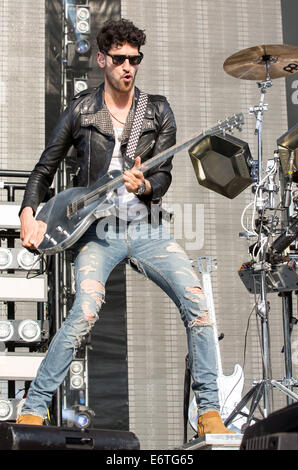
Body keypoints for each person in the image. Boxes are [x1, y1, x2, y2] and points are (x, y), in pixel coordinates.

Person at [16, 18, 234, 437]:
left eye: (135, 60)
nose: (128, 67)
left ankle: (209, 411)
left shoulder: (157, 110)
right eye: (119, 60)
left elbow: (165, 176)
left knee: (198, 306)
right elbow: (45, 169)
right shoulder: (82, 109)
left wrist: (147, 183)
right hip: (98, 230)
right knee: (85, 310)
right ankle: (35, 406)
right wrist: (28, 212)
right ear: (102, 59)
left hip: (148, 227)